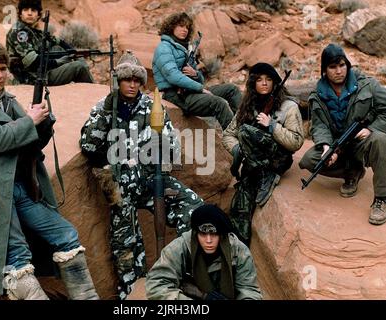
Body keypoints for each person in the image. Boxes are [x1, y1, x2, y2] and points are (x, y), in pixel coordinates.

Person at [0, 42, 98, 300]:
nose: (0, 75)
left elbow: (31, 142)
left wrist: (44, 123)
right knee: (18, 259)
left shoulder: (7, 102)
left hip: (19, 186)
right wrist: (29, 122)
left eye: (3, 69)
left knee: (66, 235)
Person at [79, 51, 204, 300]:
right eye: (127, 80)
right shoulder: (104, 107)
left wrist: (164, 142)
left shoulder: (151, 106)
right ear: (118, 82)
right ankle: (132, 292)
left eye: (137, 81)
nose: (133, 85)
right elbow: (89, 147)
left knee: (194, 209)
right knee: (125, 244)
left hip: (151, 180)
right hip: (121, 188)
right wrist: (105, 114)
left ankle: (183, 274)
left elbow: (174, 150)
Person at [299, 43, 386, 225]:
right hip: (337, 144)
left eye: (342, 65)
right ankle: (352, 171)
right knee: (309, 160)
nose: (338, 71)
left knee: (380, 139)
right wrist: (325, 146)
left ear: (347, 65)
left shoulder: (367, 85)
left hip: (361, 141)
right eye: (332, 67)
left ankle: (381, 198)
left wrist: (371, 128)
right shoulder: (317, 95)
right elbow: (319, 126)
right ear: (324, 70)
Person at [222, 62, 304, 246]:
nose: (264, 83)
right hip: (252, 169)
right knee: (238, 211)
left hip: (277, 160)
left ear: (275, 83)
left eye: (268, 79)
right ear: (253, 84)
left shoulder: (288, 107)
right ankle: (240, 256)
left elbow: (297, 141)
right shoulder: (247, 106)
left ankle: (269, 175)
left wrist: (273, 126)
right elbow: (228, 135)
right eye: (259, 80)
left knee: (245, 131)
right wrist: (238, 151)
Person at [145, 203, 262, 300]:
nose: (209, 240)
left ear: (221, 235)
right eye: (203, 234)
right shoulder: (179, 247)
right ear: (196, 233)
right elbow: (156, 286)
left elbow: (249, 291)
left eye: (214, 234)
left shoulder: (238, 250)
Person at [152, 12, 241, 130]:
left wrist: (195, 74)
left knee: (232, 89)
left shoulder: (185, 48)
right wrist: (200, 88)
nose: (185, 30)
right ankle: (235, 141)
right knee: (219, 103)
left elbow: (200, 79)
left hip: (190, 92)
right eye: (181, 26)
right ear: (171, 27)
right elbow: (172, 75)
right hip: (176, 96)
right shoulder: (164, 47)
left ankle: (245, 127)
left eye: (187, 27)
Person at [6, 0, 94, 85]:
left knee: (58, 49)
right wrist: (58, 62)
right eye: (25, 10)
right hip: (31, 78)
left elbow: (57, 41)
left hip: (41, 72)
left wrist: (74, 53)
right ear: (20, 14)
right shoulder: (19, 32)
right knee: (79, 67)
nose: (29, 13)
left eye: (33, 10)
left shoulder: (34, 32)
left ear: (38, 15)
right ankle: (96, 95)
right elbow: (33, 62)